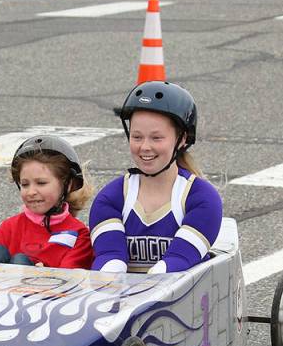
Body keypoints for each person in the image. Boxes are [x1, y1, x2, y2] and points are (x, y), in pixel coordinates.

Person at [89, 81, 222, 274]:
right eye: (137, 137)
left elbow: (178, 260)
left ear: (182, 139)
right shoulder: (111, 198)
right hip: (125, 301)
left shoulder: (202, 198)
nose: (144, 147)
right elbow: (110, 259)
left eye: (156, 138)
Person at [0, 135, 95, 269]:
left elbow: (69, 279)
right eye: (25, 184)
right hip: (0, 288)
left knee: (20, 261)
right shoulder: (10, 227)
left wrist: (42, 275)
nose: (31, 192)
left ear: (68, 184)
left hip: (49, 288)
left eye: (41, 183)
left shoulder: (79, 234)